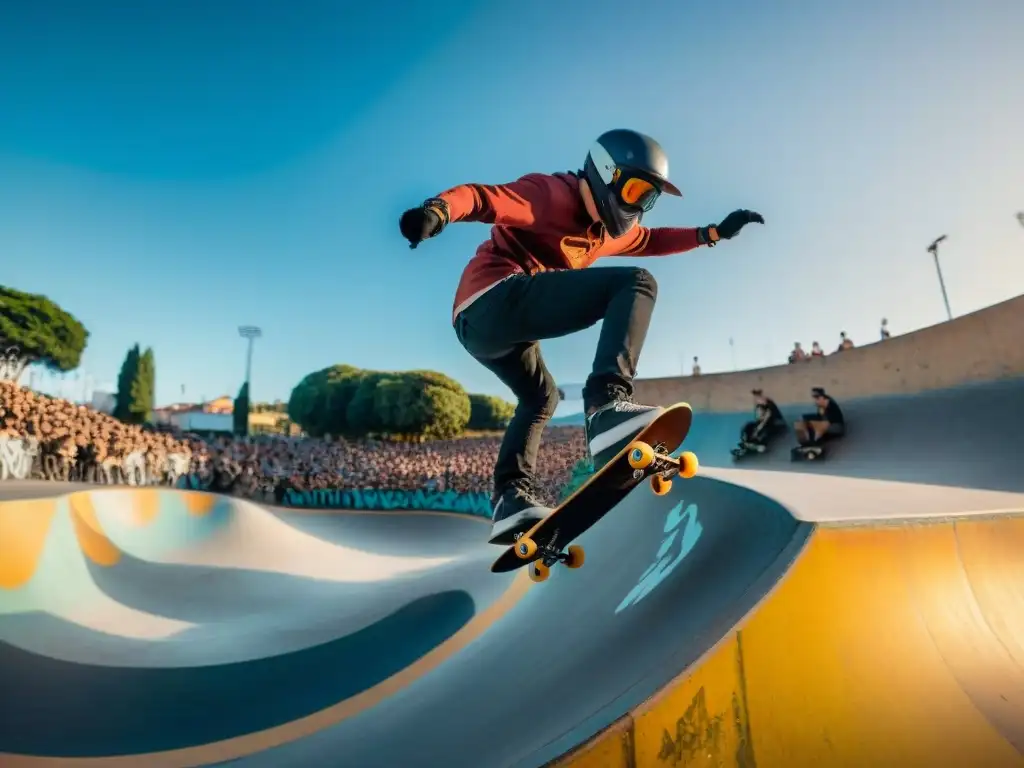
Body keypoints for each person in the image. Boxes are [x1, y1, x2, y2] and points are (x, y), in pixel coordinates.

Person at [399, 129, 764, 543]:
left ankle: (509, 499)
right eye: (634, 191)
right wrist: (439, 211)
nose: (637, 206)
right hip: (492, 298)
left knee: (542, 398)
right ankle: (607, 405)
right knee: (637, 284)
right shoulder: (551, 194)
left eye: (648, 198)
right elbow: (482, 198)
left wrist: (710, 234)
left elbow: (650, 239)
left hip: (490, 330)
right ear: (606, 173)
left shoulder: (607, 232)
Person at [734, 389, 786, 455]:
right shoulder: (758, 405)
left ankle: (757, 446)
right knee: (750, 427)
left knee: (764, 432)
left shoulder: (767, 405)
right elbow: (759, 417)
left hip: (773, 424)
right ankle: (750, 444)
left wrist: (760, 427)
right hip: (764, 424)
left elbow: (768, 417)